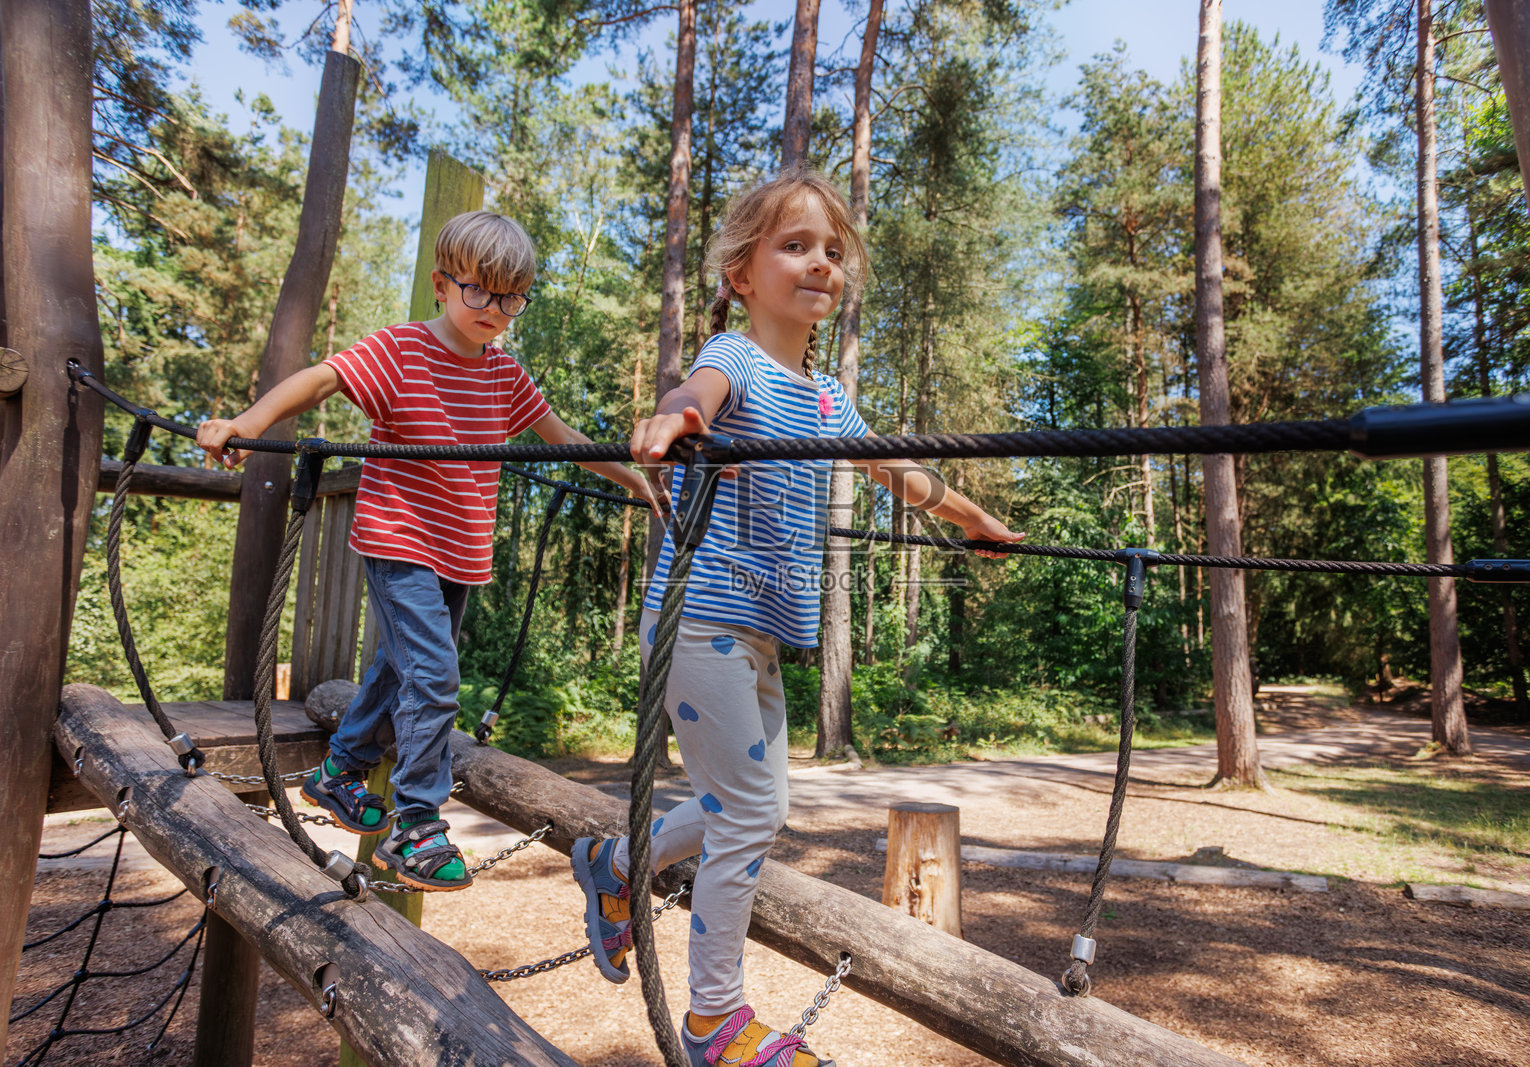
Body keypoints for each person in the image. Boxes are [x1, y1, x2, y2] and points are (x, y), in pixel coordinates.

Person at [570, 171, 1023, 1066]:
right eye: (795, 245)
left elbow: (901, 473)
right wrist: (671, 425)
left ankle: (617, 866)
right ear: (741, 271)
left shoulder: (827, 402)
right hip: (698, 616)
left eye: (832, 251)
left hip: (761, 632)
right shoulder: (733, 358)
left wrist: (972, 518)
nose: (820, 263)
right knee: (747, 815)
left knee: (756, 804)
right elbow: (689, 395)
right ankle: (714, 1022)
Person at [198, 210, 659, 891]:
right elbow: (322, 379)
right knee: (436, 675)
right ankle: (415, 822)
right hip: (400, 540)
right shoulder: (402, 350)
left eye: (511, 296)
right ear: (444, 285)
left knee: (396, 668)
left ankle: (340, 768)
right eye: (480, 290)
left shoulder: (504, 375)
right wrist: (246, 422)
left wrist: (644, 485)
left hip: (461, 552)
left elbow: (567, 439)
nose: (494, 309)